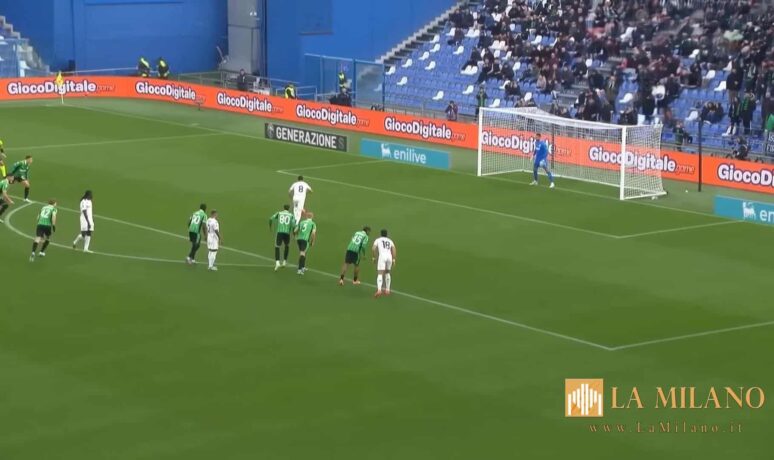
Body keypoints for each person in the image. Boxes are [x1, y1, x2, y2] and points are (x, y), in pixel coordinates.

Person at [269, 204, 296, 271]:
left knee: (277, 246)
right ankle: (284, 261)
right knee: (287, 246)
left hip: (280, 232)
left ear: (283, 208)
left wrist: (270, 227)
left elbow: (271, 218)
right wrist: (294, 233)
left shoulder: (279, 213)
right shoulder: (291, 215)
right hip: (287, 233)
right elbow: (294, 225)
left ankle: (277, 262)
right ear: (289, 208)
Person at [372, 229, 396, 298]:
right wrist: (393, 259)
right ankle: (387, 290)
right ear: (387, 234)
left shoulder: (378, 240)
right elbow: (394, 249)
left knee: (380, 273)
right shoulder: (390, 240)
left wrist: (374, 257)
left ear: (381, 234)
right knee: (387, 273)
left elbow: (373, 248)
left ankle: (379, 290)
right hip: (389, 257)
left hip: (382, 257)